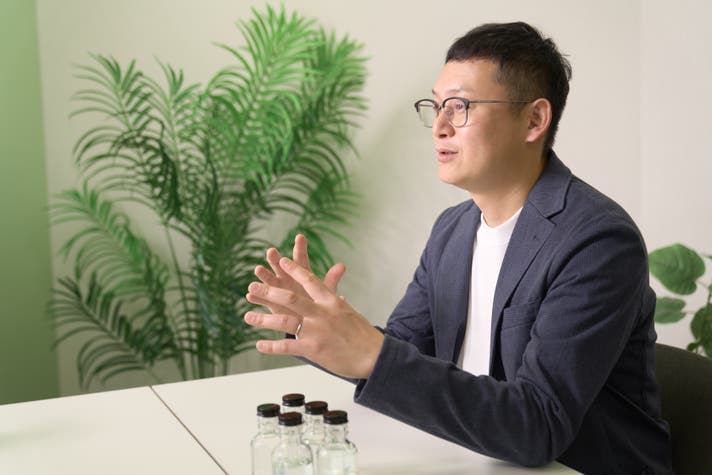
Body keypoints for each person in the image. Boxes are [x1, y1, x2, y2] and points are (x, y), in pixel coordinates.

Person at [243, 22, 672, 474]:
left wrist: (373, 354)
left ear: (534, 120)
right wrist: (316, 327)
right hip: (472, 459)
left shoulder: (597, 242)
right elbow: (403, 352)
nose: (440, 127)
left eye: (460, 107)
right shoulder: (453, 229)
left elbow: (538, 426)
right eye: (436, 106)